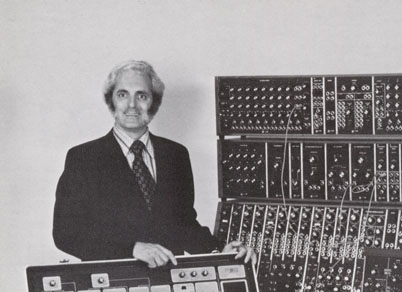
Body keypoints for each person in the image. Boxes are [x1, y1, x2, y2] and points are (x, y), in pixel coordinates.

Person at [53, 60, 255, 268]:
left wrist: (219, 251)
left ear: (154, 102)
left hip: (169, 278)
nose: (132, 105)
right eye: (122, 95)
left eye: (141, 95)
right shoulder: (83, 158)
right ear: (111, 101)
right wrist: (131, 249)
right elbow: (66, 234)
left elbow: (184, 224)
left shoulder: (176, 154)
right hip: (115, 278)